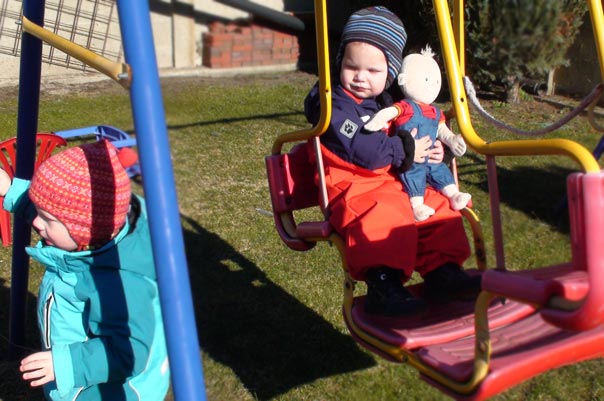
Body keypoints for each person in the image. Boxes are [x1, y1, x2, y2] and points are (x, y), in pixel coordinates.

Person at [304, 6, 480, 316]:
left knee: (437, 204)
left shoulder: (389, 101)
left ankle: (443, 271)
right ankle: (383, 283)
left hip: (392, 178)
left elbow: (414, 132)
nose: (360, 78)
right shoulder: (332, 104)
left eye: (373, 71)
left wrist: (433, 149)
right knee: (385, 209)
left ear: (390, 73)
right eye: (351, 66)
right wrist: (408, 150)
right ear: (339, 63)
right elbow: (366, 152)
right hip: (350, 183)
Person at [0, 140, 170, 400]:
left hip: (108, 390)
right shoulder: (92, 234)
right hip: (82, 376)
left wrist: (65, 365)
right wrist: (9, 188)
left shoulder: (119, 281)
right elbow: (53, 210)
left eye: (48, 220)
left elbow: (128, 349)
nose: (35, 222)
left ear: (86, 231)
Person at [365, 46, 471, 221]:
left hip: (430, 154)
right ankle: (417, 205)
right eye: (427, 79)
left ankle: (454, 195)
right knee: (413, 173)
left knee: (440, 169)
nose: (431, 85)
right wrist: (378, 120)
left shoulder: (436, 112)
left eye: (435, 81)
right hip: (410, 154)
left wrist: (451, 140)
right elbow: (391, 112)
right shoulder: (405, 106)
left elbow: (441, 129)